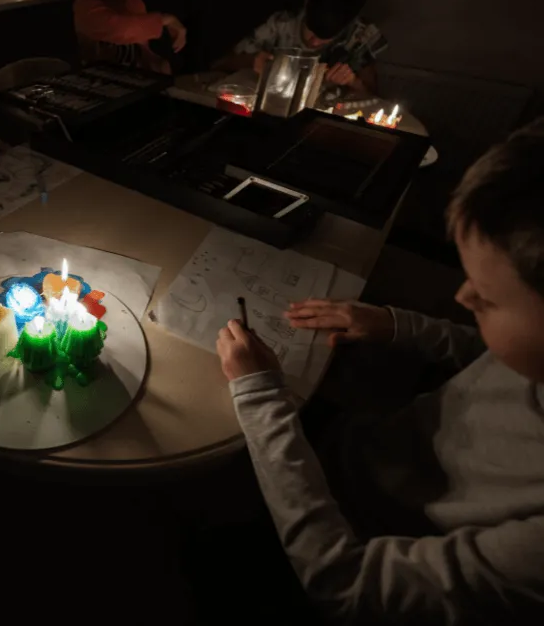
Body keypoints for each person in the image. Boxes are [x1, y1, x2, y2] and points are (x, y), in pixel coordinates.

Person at [215, 120, 544, 624]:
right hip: (370, 449)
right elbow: (490, 353)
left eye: (488, 298)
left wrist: (260, 396)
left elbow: (344, 583)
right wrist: (394, 325)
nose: (461, 297)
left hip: (358, 533)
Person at [214, 0, 386, 94]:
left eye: (325, 38)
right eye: (311, 31)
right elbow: (219, 64)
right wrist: (252, 61)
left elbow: (374, 96)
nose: (314, 43)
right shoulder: (280, 23)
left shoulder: (360, 36)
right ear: (307, 5)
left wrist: (353, 82)